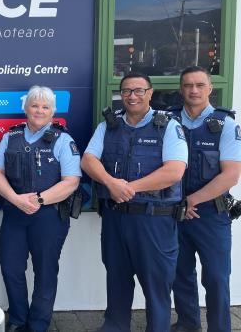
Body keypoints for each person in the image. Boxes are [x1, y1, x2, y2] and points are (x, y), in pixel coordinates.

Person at [80, 72, 188, 332]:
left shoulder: (169, 126)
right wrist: (110, 182)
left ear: (150, 93)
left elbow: (174, 171)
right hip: (116, 218)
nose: (132, 96)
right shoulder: (109, 125)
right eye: (127, 91)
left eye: (139, 90)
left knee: (156, 284)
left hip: (154, 219)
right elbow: (88, 160)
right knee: (117, 277)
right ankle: (115, 326)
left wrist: (127, 188)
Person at [0, 85, 81, 332]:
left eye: (45, 106)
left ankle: (38, 324)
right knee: (10, 265)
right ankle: (19, 319)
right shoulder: (11, 137)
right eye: (34, 105)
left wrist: (38, 200)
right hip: (14, 213)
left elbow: (72, 181)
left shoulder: (64, 140)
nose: (39, 110)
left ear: (53, 111)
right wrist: (15, 199)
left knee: (45, 270)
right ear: (25, 108)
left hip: (49, 217)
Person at [170, 66, 241, 332]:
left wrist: (192, 201)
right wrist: (180, 203)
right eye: (188, 85)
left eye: (200, 85)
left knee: (216, 277)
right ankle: (188, 324)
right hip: (174, 212)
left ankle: (219, 328)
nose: (194, 90)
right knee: (180, 274)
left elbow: (231, 175)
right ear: (181, 89)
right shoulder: (168, 121)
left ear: (210, 88)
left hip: (211, 214)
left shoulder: (226, 124)